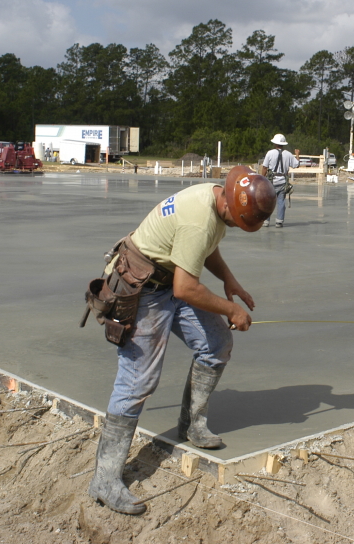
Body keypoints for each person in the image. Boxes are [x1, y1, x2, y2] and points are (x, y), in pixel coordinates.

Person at [88, 166, 276, 515]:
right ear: (230, 208)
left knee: (216, 344)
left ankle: (192, 424)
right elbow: (187, 288)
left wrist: (229, 282)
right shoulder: (198, 219)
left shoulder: (216, 197)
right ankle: (104, 479)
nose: (237, 226)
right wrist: (232, 311)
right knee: (138, 381)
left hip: (169, 279)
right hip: (145, 289)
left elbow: (204, 248)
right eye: (241, 221)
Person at [259, 133, 300, 228]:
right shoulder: (288, 154)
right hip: (282, 181)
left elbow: (265, 167)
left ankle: (266, 221)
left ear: (275, 143)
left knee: (268, 201)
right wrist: (297, 155)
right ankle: (279, 221)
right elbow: (296, 164)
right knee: (281, 201)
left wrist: (261, 179)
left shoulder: (270, 153)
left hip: (271, 181)